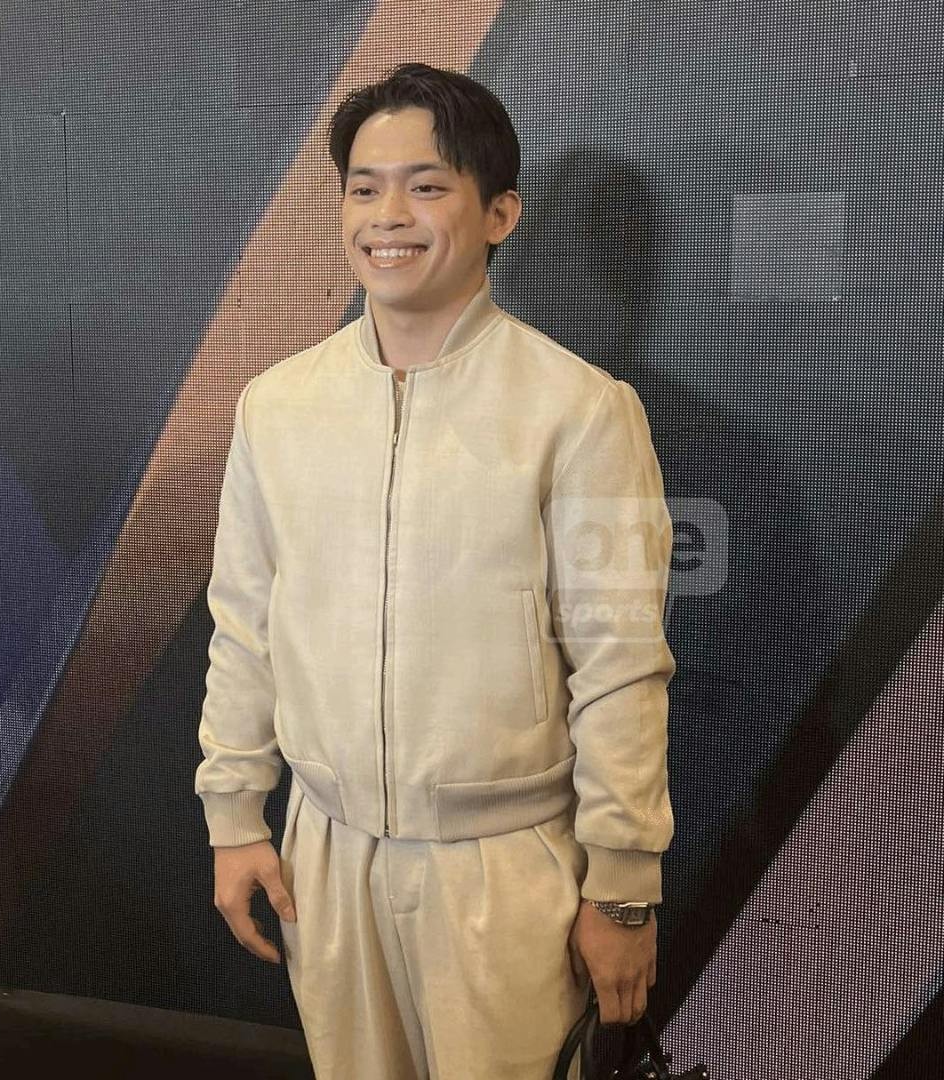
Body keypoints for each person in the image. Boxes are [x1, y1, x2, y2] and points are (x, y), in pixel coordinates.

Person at [197, 64, 673, 1078]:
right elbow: (245, 627)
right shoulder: (276, 407)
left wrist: (625, 887)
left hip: (505, 872)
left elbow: (621, 666)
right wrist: (234, 817)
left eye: (426, 187)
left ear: (499, 213)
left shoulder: (581, 412)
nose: (388, 216)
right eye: (364, 188)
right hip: (325, 858)